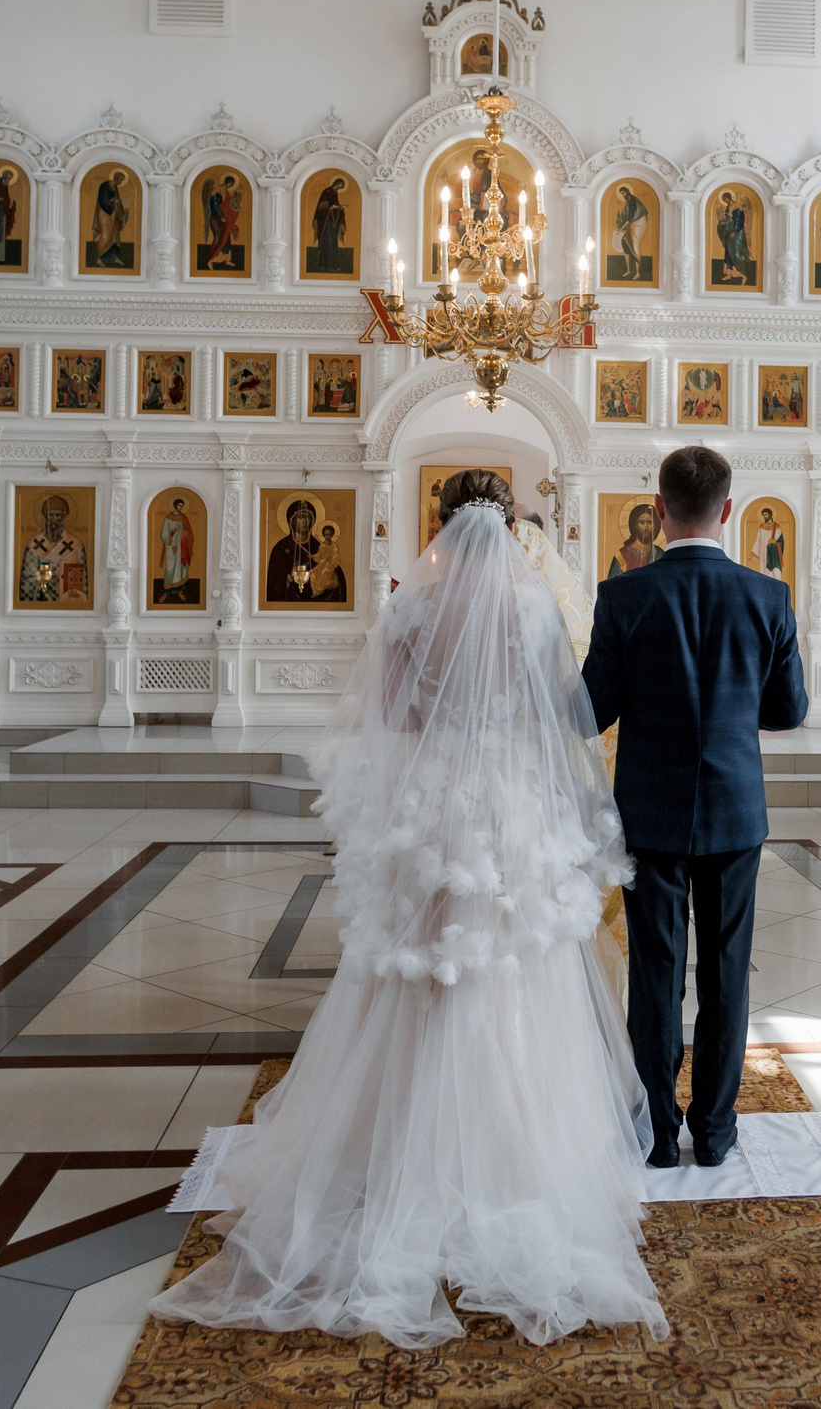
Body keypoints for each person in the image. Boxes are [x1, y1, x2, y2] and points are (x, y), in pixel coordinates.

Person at [149, 469, 665, 1350]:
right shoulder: (534, 608)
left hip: (434, 803)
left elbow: (389, 716)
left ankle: (391, 1152)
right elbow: (558, 714)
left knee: (420, 968)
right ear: (509, 528)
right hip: (508, 806)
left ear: (438, 524)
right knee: (510, 964)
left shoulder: (408, 609)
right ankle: (511, 1155)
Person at [583, 446, 806, 1170]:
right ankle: (714, 1131)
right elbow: (789, 709)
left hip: (649, 810)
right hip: (736, 814)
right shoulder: (768, 596)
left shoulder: (623, 596)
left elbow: (590, 711)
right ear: (730, 509)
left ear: (659, 508)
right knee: (726, 968)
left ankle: (655, 1132)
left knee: (655, 970)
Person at [18, 493, 88, 605]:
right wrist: (41, 582)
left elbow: (82, 581)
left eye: (57, 515)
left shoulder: (75, 545)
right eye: (51, 515)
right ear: (45, 516)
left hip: (67, 602)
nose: (54, 519)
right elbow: (26, 580)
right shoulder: (34, 545)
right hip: (42, 601)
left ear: (64, 516)